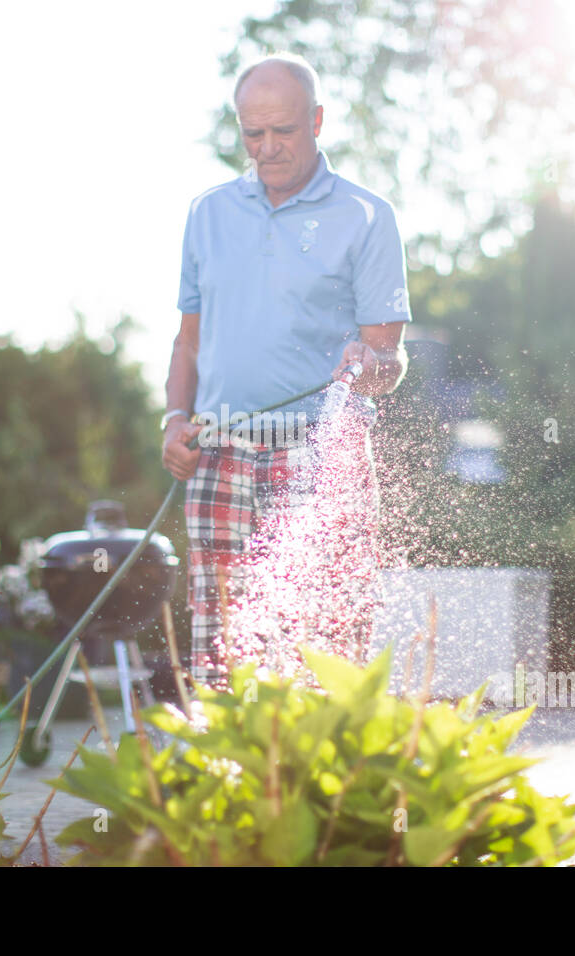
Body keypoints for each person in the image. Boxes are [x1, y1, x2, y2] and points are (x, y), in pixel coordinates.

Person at [161, 52, 410, 685]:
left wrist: (368, 363)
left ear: (318, 120)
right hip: (219, 455)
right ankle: (228, 775)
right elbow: (187, 341)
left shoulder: (367, 215)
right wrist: (173, 420)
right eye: (253, 133)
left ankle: (324, 780)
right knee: (218, 640)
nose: (267, 148)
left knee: (325, 640)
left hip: (320, 456)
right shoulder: (207, 213)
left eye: (285, 131)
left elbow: (389, 358)